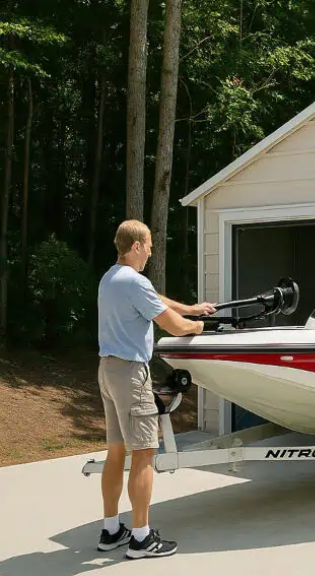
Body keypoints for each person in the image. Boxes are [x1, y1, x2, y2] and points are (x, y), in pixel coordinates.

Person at [95, 219, 215, 559]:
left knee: (116, 453)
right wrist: (197, 324)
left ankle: (110, 530)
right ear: (136, 246)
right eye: (148, 245)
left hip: (107, 371)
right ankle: (141, 539)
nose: (150, 250)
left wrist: (188, 306)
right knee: (145, 454)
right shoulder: (136, 282)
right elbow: (171, 325)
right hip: (131, 375)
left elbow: (153, 298)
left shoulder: (111, 278)